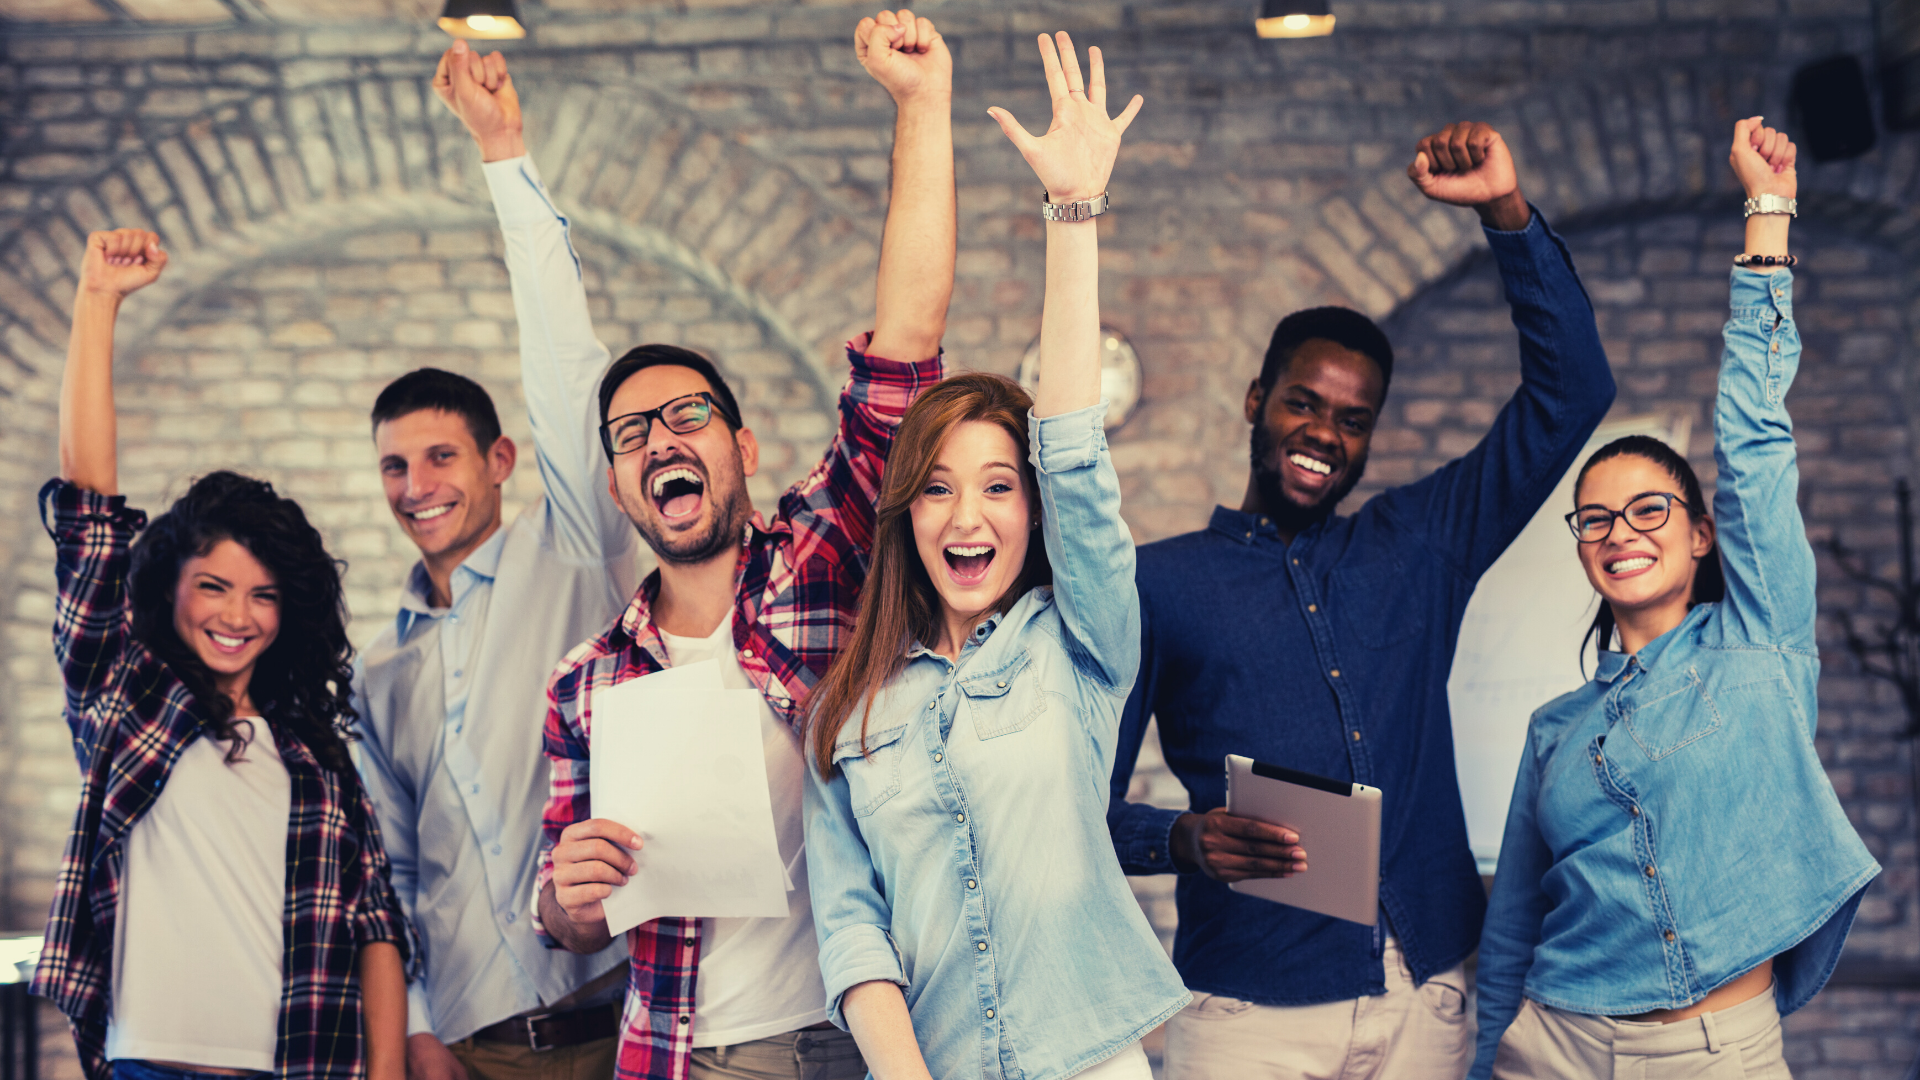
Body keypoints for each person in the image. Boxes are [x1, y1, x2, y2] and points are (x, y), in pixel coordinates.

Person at [1106, 120, 1620, 1080]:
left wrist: (1507, 214)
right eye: (1305, 403)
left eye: (1354, 420)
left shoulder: (1421, 543)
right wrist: (1181, 837)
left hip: (1429, 994)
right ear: (1257, 399)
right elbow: (1076, 809)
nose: (1324, 435)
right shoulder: (1158, 582)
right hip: (1246, 1008)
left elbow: (1572, 395)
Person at [527, 11, 953, 1080]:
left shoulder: (821, 555)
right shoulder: (587, 684)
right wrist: (564, 896)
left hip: (851, 1042)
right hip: (674, 1052)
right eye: (629, 436)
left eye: (685, 416)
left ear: (742, 444)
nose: (657, 439)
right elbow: (572, 921)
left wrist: (920, 107)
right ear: (620, 484)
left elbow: (902, 355)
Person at [802, 32, 1186, 1080]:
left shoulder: (1085, 641)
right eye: (935, 487)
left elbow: (1071, 445)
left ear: (1032, 511)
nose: (966, 514)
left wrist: (1073, 214)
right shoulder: (848, 713)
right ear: (905, 517)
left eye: (997, 486)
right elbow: (851, 929)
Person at [1470, 119, 1879, 1080]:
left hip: (1715, 1052)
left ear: (1702, 534)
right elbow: (1515, 925)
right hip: (1552, 1042)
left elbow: (1753, 446)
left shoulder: (1759, 646)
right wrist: (1489, 1055)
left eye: (1650, 508)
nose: (1621, 533)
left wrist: (1767, 220)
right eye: (1595, 521)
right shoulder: (1553, 730)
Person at [31, 228, 413, 1080]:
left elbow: (375, 926)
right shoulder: (127, 700)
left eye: (264, 594)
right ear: (167, 589)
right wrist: (97, 304)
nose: (238, 615)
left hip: (303, 1066)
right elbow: (89, 515)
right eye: (214, 586)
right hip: (153, 1066)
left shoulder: (314, 756)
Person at [348, 36, 643, 1080]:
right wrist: (418, 1029)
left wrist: (503, 152)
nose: (416, 485)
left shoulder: (572, 554)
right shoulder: (375, 668)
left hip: (615, 1020)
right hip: (468, 1052)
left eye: (439, 457)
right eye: (393, 466)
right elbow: (386, 866)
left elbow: (570, 375)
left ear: (500, 460)